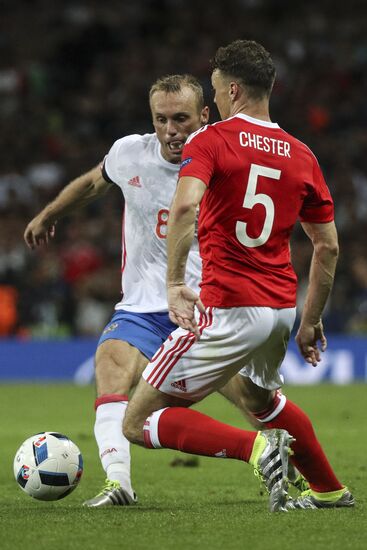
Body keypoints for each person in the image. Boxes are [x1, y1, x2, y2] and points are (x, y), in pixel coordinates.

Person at [123, 40, 354, 511]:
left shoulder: (211, 140)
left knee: (137, 419)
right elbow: (327, 245)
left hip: (227, 306)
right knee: (259, 399)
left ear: (230, 89)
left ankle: (258, 449)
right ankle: (329, 490)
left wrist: (172, 285)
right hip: (279, 312)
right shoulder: (301, 154)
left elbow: (185, 205)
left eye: (214, 90)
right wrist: (310, 322)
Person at [24, 74, 210, 507]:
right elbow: (92, 183)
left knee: (256, 399)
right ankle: (119, 483)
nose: (170, 130)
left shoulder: (223, 160)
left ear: (203, 116)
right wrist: (51, 213)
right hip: (143, 307)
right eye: (161, 119)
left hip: (207, 305)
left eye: (181, 118)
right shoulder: (131, 153)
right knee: (109, 365)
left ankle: (291, 465)